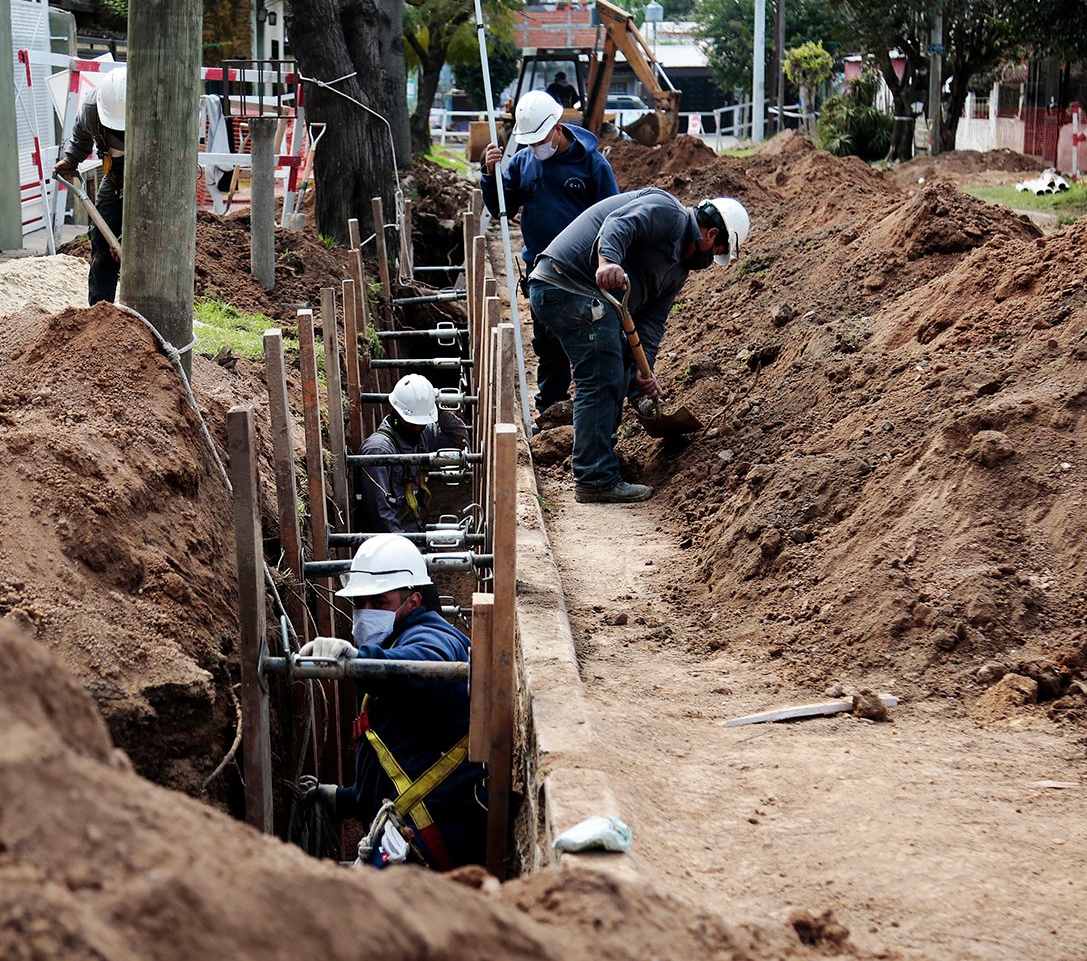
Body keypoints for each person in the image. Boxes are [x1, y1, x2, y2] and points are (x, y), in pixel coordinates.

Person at [527, 189, 750, 503]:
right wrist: (607, 262)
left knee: (616, 371)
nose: (713, 260)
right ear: (712, 234)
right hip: (566, 283)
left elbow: (651, 324)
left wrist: (642, 374)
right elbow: (618, 224)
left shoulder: (677, 271)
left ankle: (602, 460)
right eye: (718, 251)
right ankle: (594, 477)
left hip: (585, 298)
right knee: (602, 376)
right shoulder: (668, 212)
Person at [294, 534, 484, 870]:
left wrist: (361, 660)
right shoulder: (403, 636)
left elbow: (424, 666)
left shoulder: (431, 637)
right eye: (360, 604)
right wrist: (342, 798)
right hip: (412, 830)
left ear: (413, 601)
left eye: (378, 603)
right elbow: (405, 752)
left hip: (429, 843)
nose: (365, 614)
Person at [482, 91, 620, 416]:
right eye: (530, 142)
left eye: (540, 139)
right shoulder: (523, 163)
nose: (536, 147)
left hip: (584, 272)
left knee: (590, 342)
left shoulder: (592, 165)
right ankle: (551, 409)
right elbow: (502, 207)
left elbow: (614, 216)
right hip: (540, 270)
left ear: (558, 127)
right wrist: (490, 175)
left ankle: (595, 408)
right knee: (549, 345)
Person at [355, 374, 468, 534]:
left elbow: (460, 444)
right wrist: (405, 547)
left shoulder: (424, 434)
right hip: (389, 544)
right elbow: (379, 514)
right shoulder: (378, 450)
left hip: (414, 533)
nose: (417, 428)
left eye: (421, 423)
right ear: (396, 413)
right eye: (412, 422)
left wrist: (439, 409)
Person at [53, 66, 127, 305]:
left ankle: (148, 312)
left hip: (155, 182)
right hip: (115, 176)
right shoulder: (92, 108)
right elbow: (81, 132)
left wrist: (128, 238)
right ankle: (100, 310)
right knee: (101, 242)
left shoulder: (156, 113)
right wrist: (72, 158)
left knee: (146, 247)